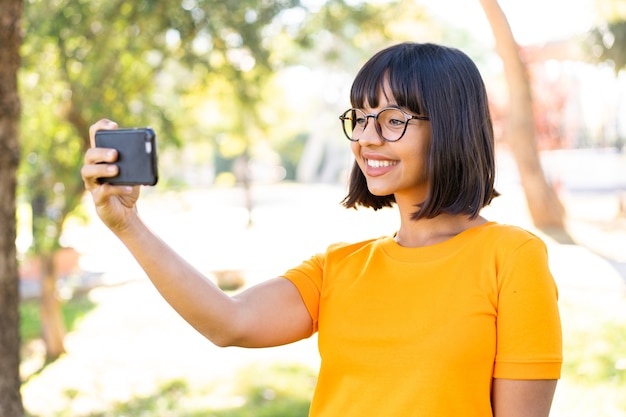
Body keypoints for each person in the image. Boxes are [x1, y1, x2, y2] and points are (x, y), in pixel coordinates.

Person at [81, 42, 562, 416]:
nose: (367, 137)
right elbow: (229, 322)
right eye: (361, 117)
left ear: (452, 126)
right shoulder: (340, 267)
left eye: (393, 119)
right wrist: (128, 226)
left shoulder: (512, 256)